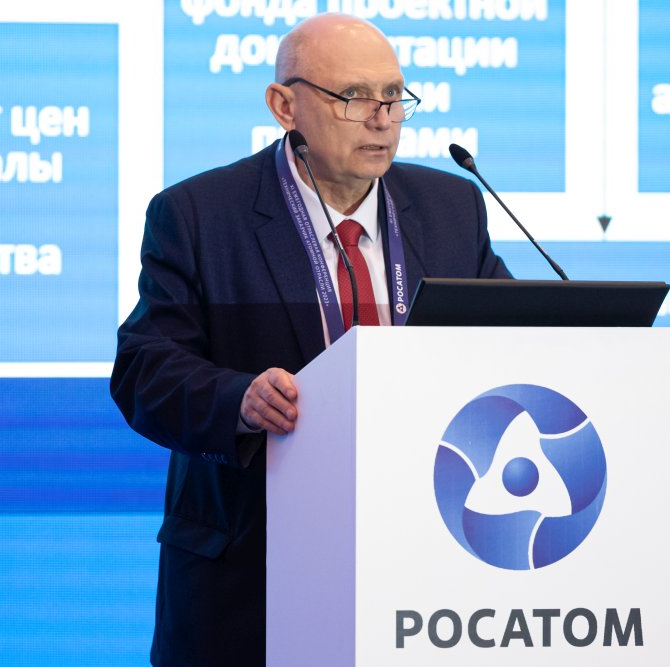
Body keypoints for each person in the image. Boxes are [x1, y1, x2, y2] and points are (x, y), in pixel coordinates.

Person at [111, 12, 511, 666]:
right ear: (284, 106)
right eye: (354, 96)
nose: (382, 118)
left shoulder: (450, 207)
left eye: (393, 96)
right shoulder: (200, 214)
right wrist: (240, 400)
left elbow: (510, 333)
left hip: (422, 560)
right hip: (254, 568)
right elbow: (144, 369)